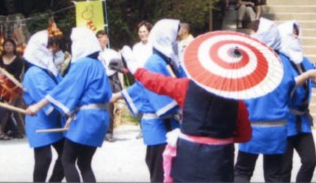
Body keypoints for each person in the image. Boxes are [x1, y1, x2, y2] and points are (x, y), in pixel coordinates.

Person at [121, 47, 252, 182]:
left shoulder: (185, 87)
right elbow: (245, 135)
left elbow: (156, 82)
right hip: (219, 164)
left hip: (187, 161)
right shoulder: (237, 101)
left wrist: (136, 68)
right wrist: (221, 137)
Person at [234, 19, 316, 183]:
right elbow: (290, 85)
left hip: (251, 126)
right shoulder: (283, 61)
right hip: (276, 128)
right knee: (274, 175)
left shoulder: (249, 61)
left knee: (243, 171)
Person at [25, 27, 112, 183]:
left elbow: (64, 90)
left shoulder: (82, 64)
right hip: (100, 116)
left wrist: (37, 106)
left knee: (67, 160)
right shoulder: (98, 64)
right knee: (84, 164)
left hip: (86, 117)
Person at [114, 19, 185, 182]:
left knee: (169, 173)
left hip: (170, 127)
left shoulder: (168, 62)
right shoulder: (154, 62)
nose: (177, 42)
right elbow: (144, 87)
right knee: (159, 173)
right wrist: (118, 95)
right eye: (175, 37)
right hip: (159, 127)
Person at [276, 21, 316, 183]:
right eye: (292, 33)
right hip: (285, 120)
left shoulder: (303, 60)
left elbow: (315, 81)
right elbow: (285, 87)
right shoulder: (279, 60)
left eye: (297, 32)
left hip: (302, 120)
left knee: (310, 161)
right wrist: (307, 75)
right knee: (284, 168)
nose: (296, 36)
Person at [22, 31, 65, 182]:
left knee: (66, 155)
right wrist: (66, 110)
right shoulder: (33, 72)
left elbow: (61, 88)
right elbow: (46, 96)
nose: (51, 49)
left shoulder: (48, 69)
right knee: (44, 159)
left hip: (53, 118)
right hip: (40, 119)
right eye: (48, 46)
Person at [0, 38, 24, 139]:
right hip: (0, 86)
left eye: (10, 45)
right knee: (0, 107)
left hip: (13, 88)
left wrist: (7, 78)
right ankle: (1, 130)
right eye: (6, 45)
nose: (8, 47)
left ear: (14, 47)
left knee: (8, 108)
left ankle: (0, 130)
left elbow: (17, 74)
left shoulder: (18, 59)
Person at [97, 30, 122, 142]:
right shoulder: (93, 53)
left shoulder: (112, 53)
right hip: (96, 81)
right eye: (100, 38)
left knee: (108, 106)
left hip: (109, 79)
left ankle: (108, 132)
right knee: (96, 106)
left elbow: (119, 69)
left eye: (105, 37)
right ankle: (98, 131)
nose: (103, 40)